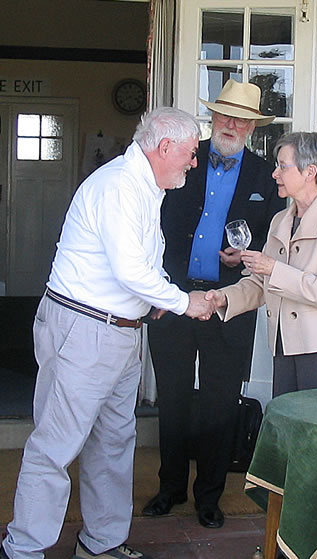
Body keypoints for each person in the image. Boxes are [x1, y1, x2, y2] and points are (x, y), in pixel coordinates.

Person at [0, 107, 215, 559]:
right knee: (56, 444)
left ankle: (101, 544)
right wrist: (180, 301)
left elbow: (139, 265)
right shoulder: (120, 185)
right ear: (165, 148)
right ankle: (22, 549)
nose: (194, 163)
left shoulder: (145, 186)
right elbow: (131, 269)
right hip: (84, 328)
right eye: (191, 154)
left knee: (113, 444)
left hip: (116, 331)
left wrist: (153, 300)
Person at [206, 131, 317, 558]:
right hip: (286, 350)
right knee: (294, 455)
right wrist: (222, 298)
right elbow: (261, 282)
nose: (274, 173)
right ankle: (290, 544)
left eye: (283, 166)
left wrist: (273, 269)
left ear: (310, 172)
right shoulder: (281, 219)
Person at [143, 79, 284, 529]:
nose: (231, 124)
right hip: (174, 299)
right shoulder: (185, 157)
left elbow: (274, 240)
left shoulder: (266, 175)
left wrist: (244, 256)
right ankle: (169, 488)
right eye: (224, 115)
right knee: (174, 398)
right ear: (213, 118)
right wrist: (158, 290)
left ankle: (209, 496)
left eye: (241, 119)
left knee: (221, 402)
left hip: (230, 304)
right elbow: (151, 224)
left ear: (251, 126)